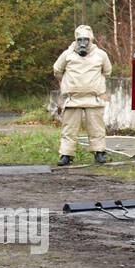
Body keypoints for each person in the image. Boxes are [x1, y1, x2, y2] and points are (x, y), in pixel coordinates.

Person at [53, 25, 112, 166]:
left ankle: (99, 153)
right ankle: (66, 154)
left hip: (94, 99)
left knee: (97, 128)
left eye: (85, 40)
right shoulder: (67, 54)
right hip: (73, 99)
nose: (82, 43)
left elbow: (107, 71)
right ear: (75, 40)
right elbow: (57, 70)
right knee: (69, 129)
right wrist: (69, 84)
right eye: (80, 40)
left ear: (90, 39)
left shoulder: (101, 55)